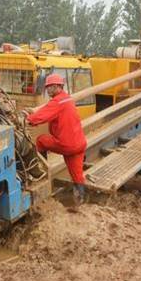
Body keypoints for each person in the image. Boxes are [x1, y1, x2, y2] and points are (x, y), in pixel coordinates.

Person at [26, 73, 87, 210]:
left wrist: (28, 119)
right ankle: (79, 202)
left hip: (66, 144)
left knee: (41, 141)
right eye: (47, 87)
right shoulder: (67, 99)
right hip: (79, 143)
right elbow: (48, 109)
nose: (47, 90)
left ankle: (41, 171)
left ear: (57, 87)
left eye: (49, 87)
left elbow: (41, 116)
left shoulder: (57, 102)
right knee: (77, 175)